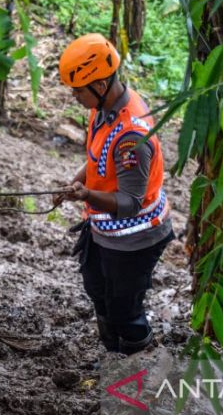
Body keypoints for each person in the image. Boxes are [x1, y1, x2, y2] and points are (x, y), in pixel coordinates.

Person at [53, 33, 173, 355]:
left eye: (77, 90)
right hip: (104, 230)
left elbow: (130, 203)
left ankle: (137, 360)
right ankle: (113, 355)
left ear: (100, 85)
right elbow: (96, 158)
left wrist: (85, 195)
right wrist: (75, 183)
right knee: (96, 289)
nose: (74, 96)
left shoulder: (131, 137)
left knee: (125, 311)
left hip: (135, 239)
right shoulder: (103, 108)